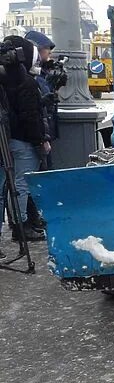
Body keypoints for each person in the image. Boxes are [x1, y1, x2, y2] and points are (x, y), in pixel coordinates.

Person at [0, 35, 48, 242]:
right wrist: (40, 141)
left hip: (9, 138)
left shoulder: (5, 80)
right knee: (22, 184)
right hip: (24, 141)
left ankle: (18, 224)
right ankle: (21, 226)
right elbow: (30, 116)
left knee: (11, 185)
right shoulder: (25, 82)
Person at [24, 31, 58, 232]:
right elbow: (33, 110)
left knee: (40, 175)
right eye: (46, 50)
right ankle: (28, 220)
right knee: (31, 178)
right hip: (35, 135)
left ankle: (34, 217)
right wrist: (42, 138)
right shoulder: (30, 78)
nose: (48, 55)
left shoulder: (38, 74)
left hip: (42, 132)